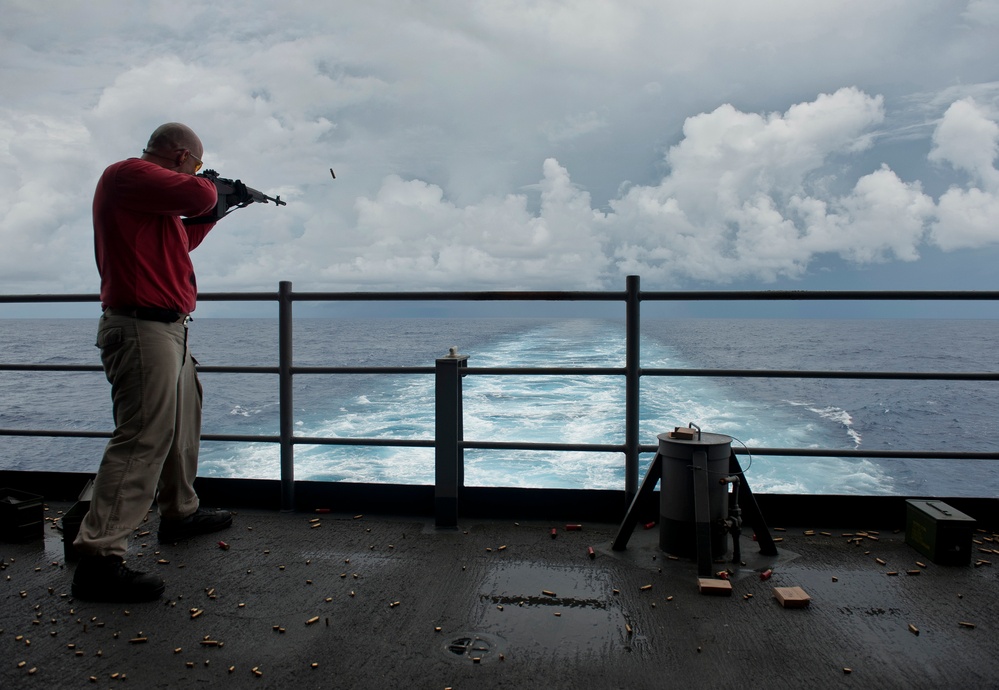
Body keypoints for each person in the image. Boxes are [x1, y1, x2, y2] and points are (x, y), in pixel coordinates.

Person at [72, 123, 234, 603]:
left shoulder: (149, 206)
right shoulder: (128, 174)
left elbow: (183, 238)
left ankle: (179, 512)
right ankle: (98, 559)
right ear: (183, 157)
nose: (200, 175)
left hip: (169, 329)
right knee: (142, 436)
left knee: (183, 423)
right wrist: (214, 190)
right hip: (142, 328)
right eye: (198, 166)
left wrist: (220, 208)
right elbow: (198, 197)